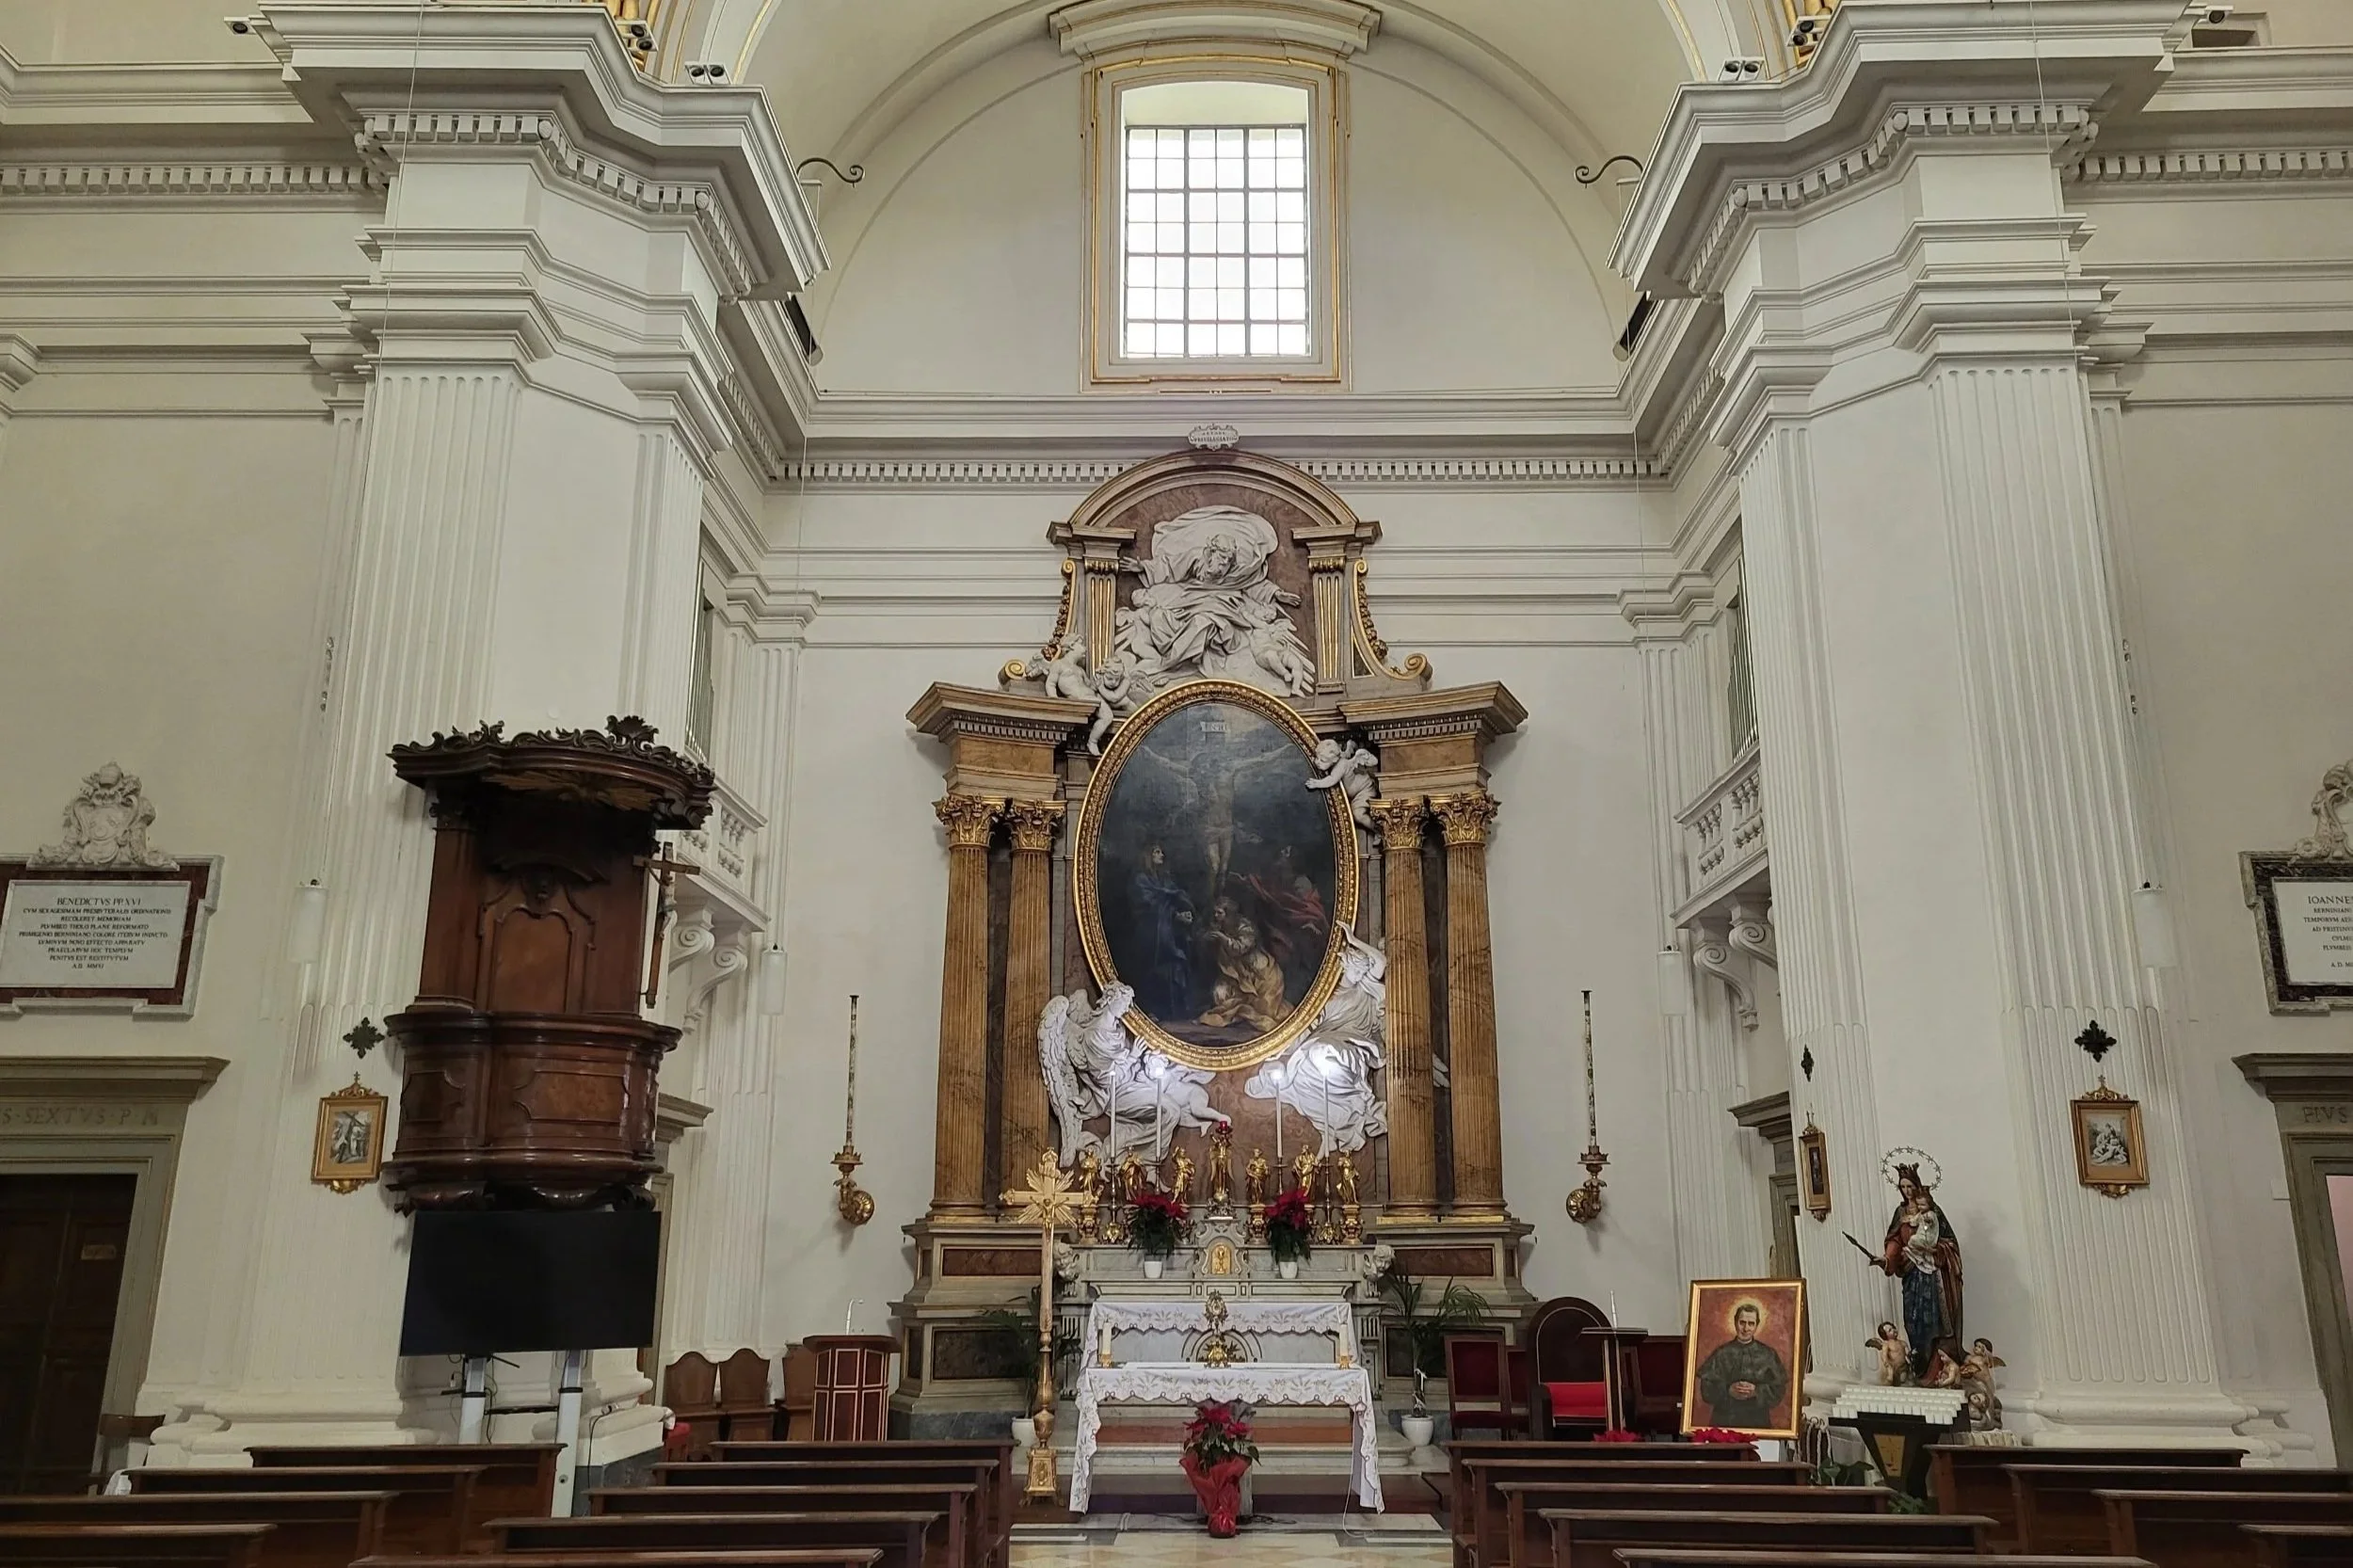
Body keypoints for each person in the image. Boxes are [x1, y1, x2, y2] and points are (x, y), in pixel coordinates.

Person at [1864, 1163, 1964, 1381]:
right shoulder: (1900, 1213)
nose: (1907, 1191)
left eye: (1910, 1186)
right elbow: (1894, 1241)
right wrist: (1886, 1259)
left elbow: (1949, 1242)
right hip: (1911, 1274)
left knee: (1933, 1320)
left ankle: (1938, 1371)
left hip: (1932, 1276)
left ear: (1917, 1186)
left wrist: (1934, 1249)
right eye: (1903, 1187)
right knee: (1913, 1320)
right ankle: (1919, 1370)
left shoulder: (1932, 1211)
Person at [1694, 1300, 1788, 1429]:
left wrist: (1757, 1391)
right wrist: (1728, 1390)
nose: (1746, 1328)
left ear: (1757, 1325)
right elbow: (1706, 1390)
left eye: (1751, 1324)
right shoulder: (1721, 1353)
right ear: (1735, 1322)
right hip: (1724, 1421)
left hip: (1758, 1422)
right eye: (1742, 1322)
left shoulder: (1768, 1354)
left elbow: (1779, 1388)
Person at [1128, 841, 1195, 1017]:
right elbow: (1148, 907)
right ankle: (1154, 1011)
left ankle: (1175, 1011)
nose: (1162, 855)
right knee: (1156, 972)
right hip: (1151, 936)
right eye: (1157, 852)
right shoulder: (1141, 880)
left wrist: (1184, 913)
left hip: (1170, 935)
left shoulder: (1165, 880)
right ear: (1148, 855)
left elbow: (1177, 898)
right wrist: (1175, 915)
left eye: (1161, 852)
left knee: (1177, 966)